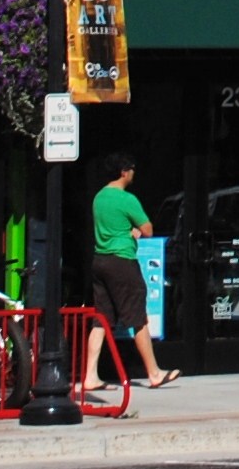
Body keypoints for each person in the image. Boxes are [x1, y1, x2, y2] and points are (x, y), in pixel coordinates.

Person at [84, 157, 175, 394]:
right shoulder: (127, 199)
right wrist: (132, 232)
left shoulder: (99, 197)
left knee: (101, 318)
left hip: (100, 260)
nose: (134, 173)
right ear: (124, 172)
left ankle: (90, 375)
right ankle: (154, 373)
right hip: (122, 260)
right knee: (137, 316)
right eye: (132, 168)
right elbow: (148, 230)